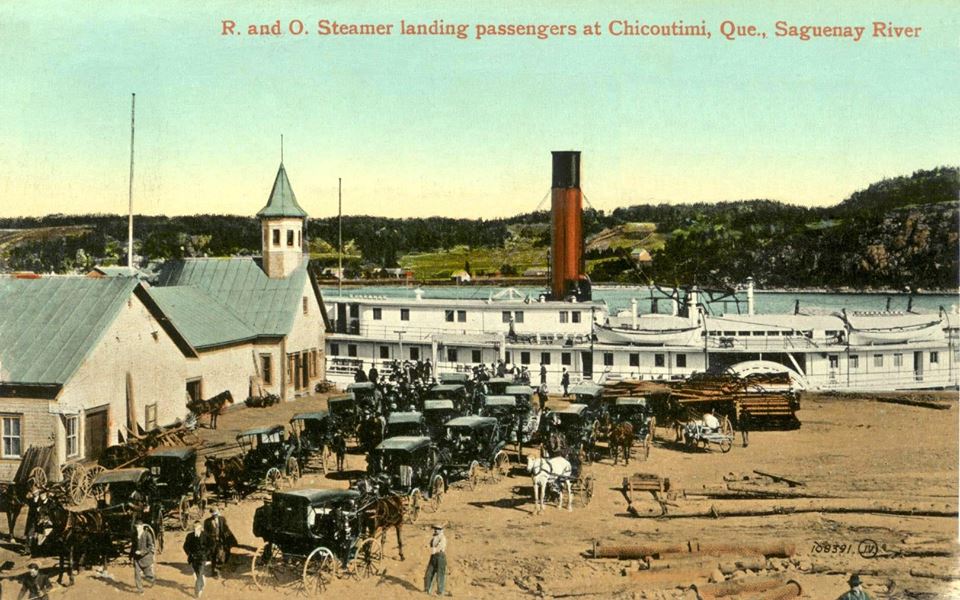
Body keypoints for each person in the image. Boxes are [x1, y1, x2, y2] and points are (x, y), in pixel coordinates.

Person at [204, 507, 236, 577]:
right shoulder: (207, 522)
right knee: (213, 557)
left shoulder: (222, 519)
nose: (215, 516)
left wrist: (228, 538)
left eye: (216, 514)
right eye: (214, 514)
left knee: (221, 556)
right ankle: (214, 572)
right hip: (213, 542)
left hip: (221, 541)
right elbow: (206, 533)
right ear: (211, 514)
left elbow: (226, 528)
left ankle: (219, 568)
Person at [183, 521, 211, 598]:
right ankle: (201, 584)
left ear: (201, 528)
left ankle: (196, 591)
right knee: (198, 573)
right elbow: (185, 546)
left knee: (200, 573)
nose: (196, 529)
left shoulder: (205, 535)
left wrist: (206, 553)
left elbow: (211, 545)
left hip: (202, 558)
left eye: (197, 528)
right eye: (194, 528)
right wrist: (189, 554)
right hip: (193, 558)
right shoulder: (190, 536)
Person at [131, 519, 156, 594]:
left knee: (148, 574)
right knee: (137, 575)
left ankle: (152, 579)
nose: (137, 529)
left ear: (142, 527)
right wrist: (131, 556)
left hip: (145, 558)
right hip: (137, 558)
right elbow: (133, 546)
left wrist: (141, 552)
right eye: (136, 527)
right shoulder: (135, 535)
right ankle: (140, 590)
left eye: (138, 527)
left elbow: (150, 547)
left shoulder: (147, 534)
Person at [423, 523, 447, 596]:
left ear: (441, 530)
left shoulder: (443, 538)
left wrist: (431, 549)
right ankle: (426, 589)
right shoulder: (434, 537)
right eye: (435, 529)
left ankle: (440, 591)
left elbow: (439, 548)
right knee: (428, 573)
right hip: (433, 556)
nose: (436, 530)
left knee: (440, 574)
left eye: (438, 529)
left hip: (440, 556)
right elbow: (430, 544)